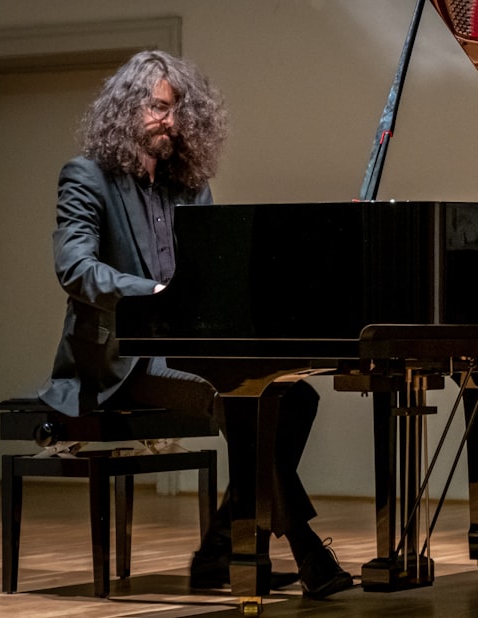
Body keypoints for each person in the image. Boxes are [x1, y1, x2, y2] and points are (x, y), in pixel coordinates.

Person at [36, 50, 353, 599]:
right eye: (160, 109)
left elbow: (210, 274)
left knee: (295, 397)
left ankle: (219, 551)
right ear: (127, 109)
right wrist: (153, 293)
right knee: (237, 399)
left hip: (184, 348)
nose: (172, 123)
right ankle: (301, 546)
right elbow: (75, 269)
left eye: (180, 112)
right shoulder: (87, 176)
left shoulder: (189, 186)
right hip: (119, 355)